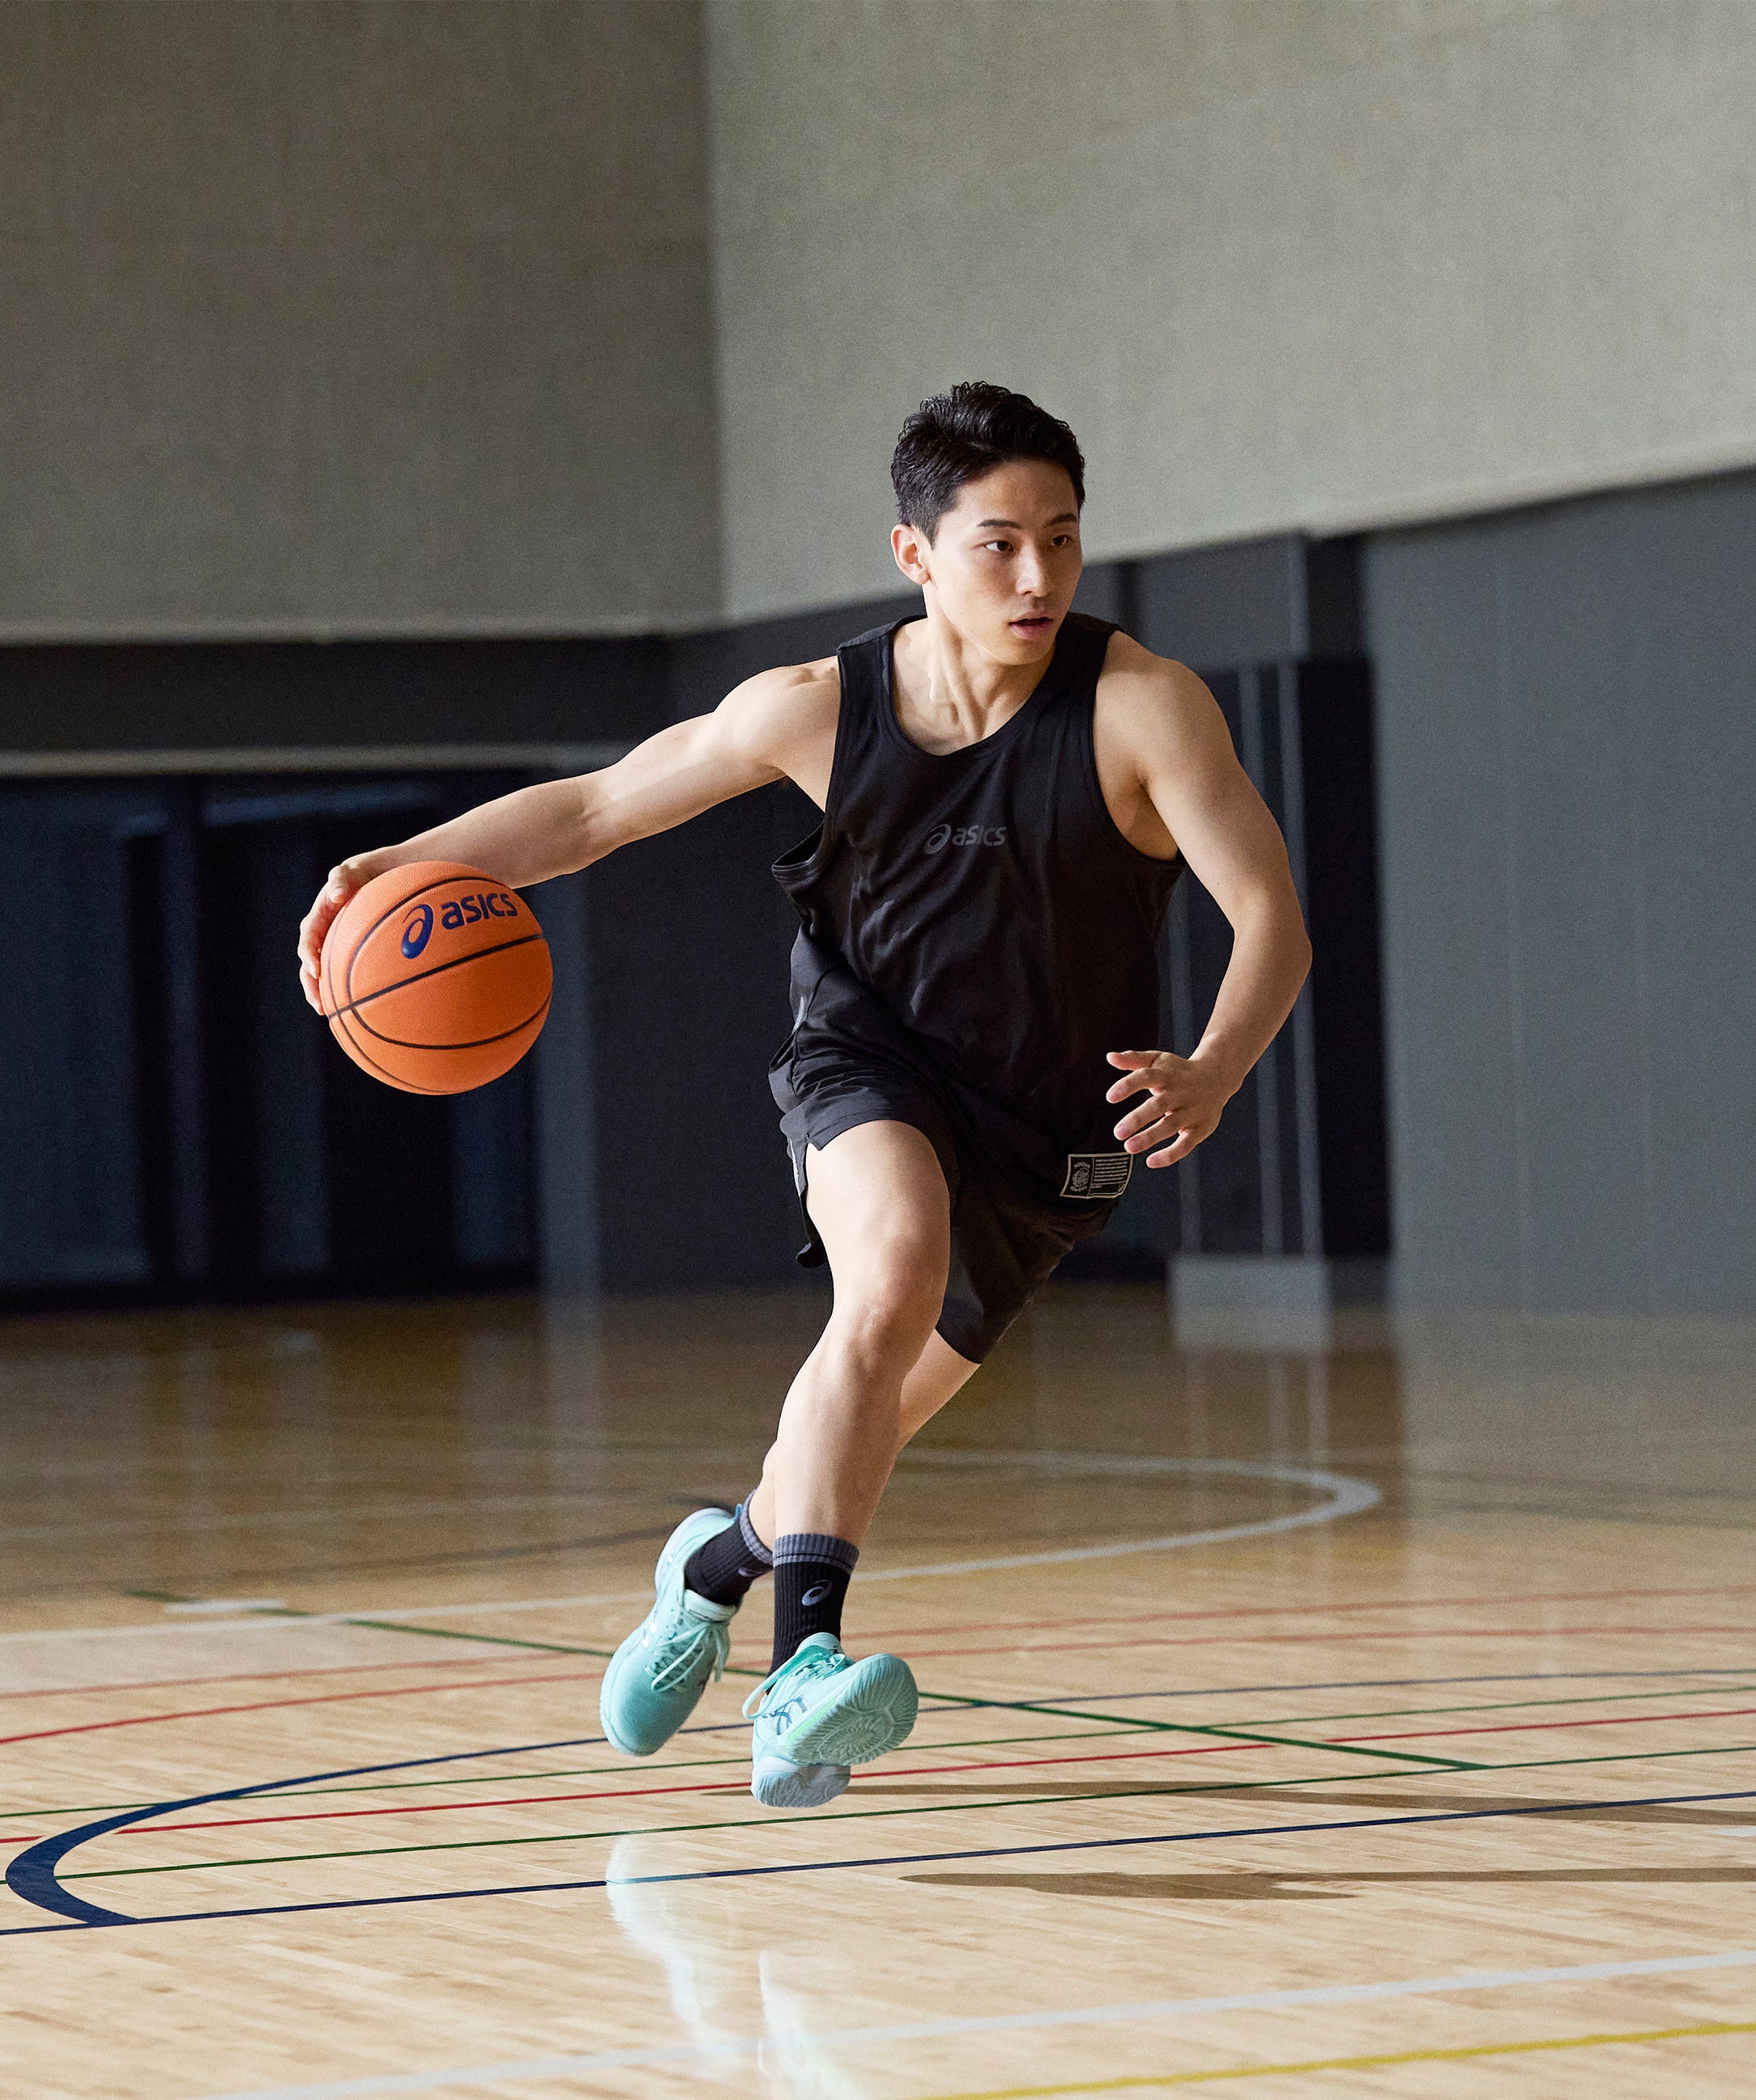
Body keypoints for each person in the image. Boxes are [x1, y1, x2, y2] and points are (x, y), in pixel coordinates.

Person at [298, 382, 1312, 1806]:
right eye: (999, 545)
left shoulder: (1143, 706)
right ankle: (805, 1673)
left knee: (855, 1434)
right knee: (888, 1271)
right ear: (915, 555)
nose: (1038, 578)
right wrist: (400, 865)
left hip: (1044, 1132)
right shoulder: (818, 708)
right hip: (868, 1057)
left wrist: (1215, 1065)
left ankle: (713, 1565)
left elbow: (1270, 915)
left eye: (1064, 542)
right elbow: (593, 810)